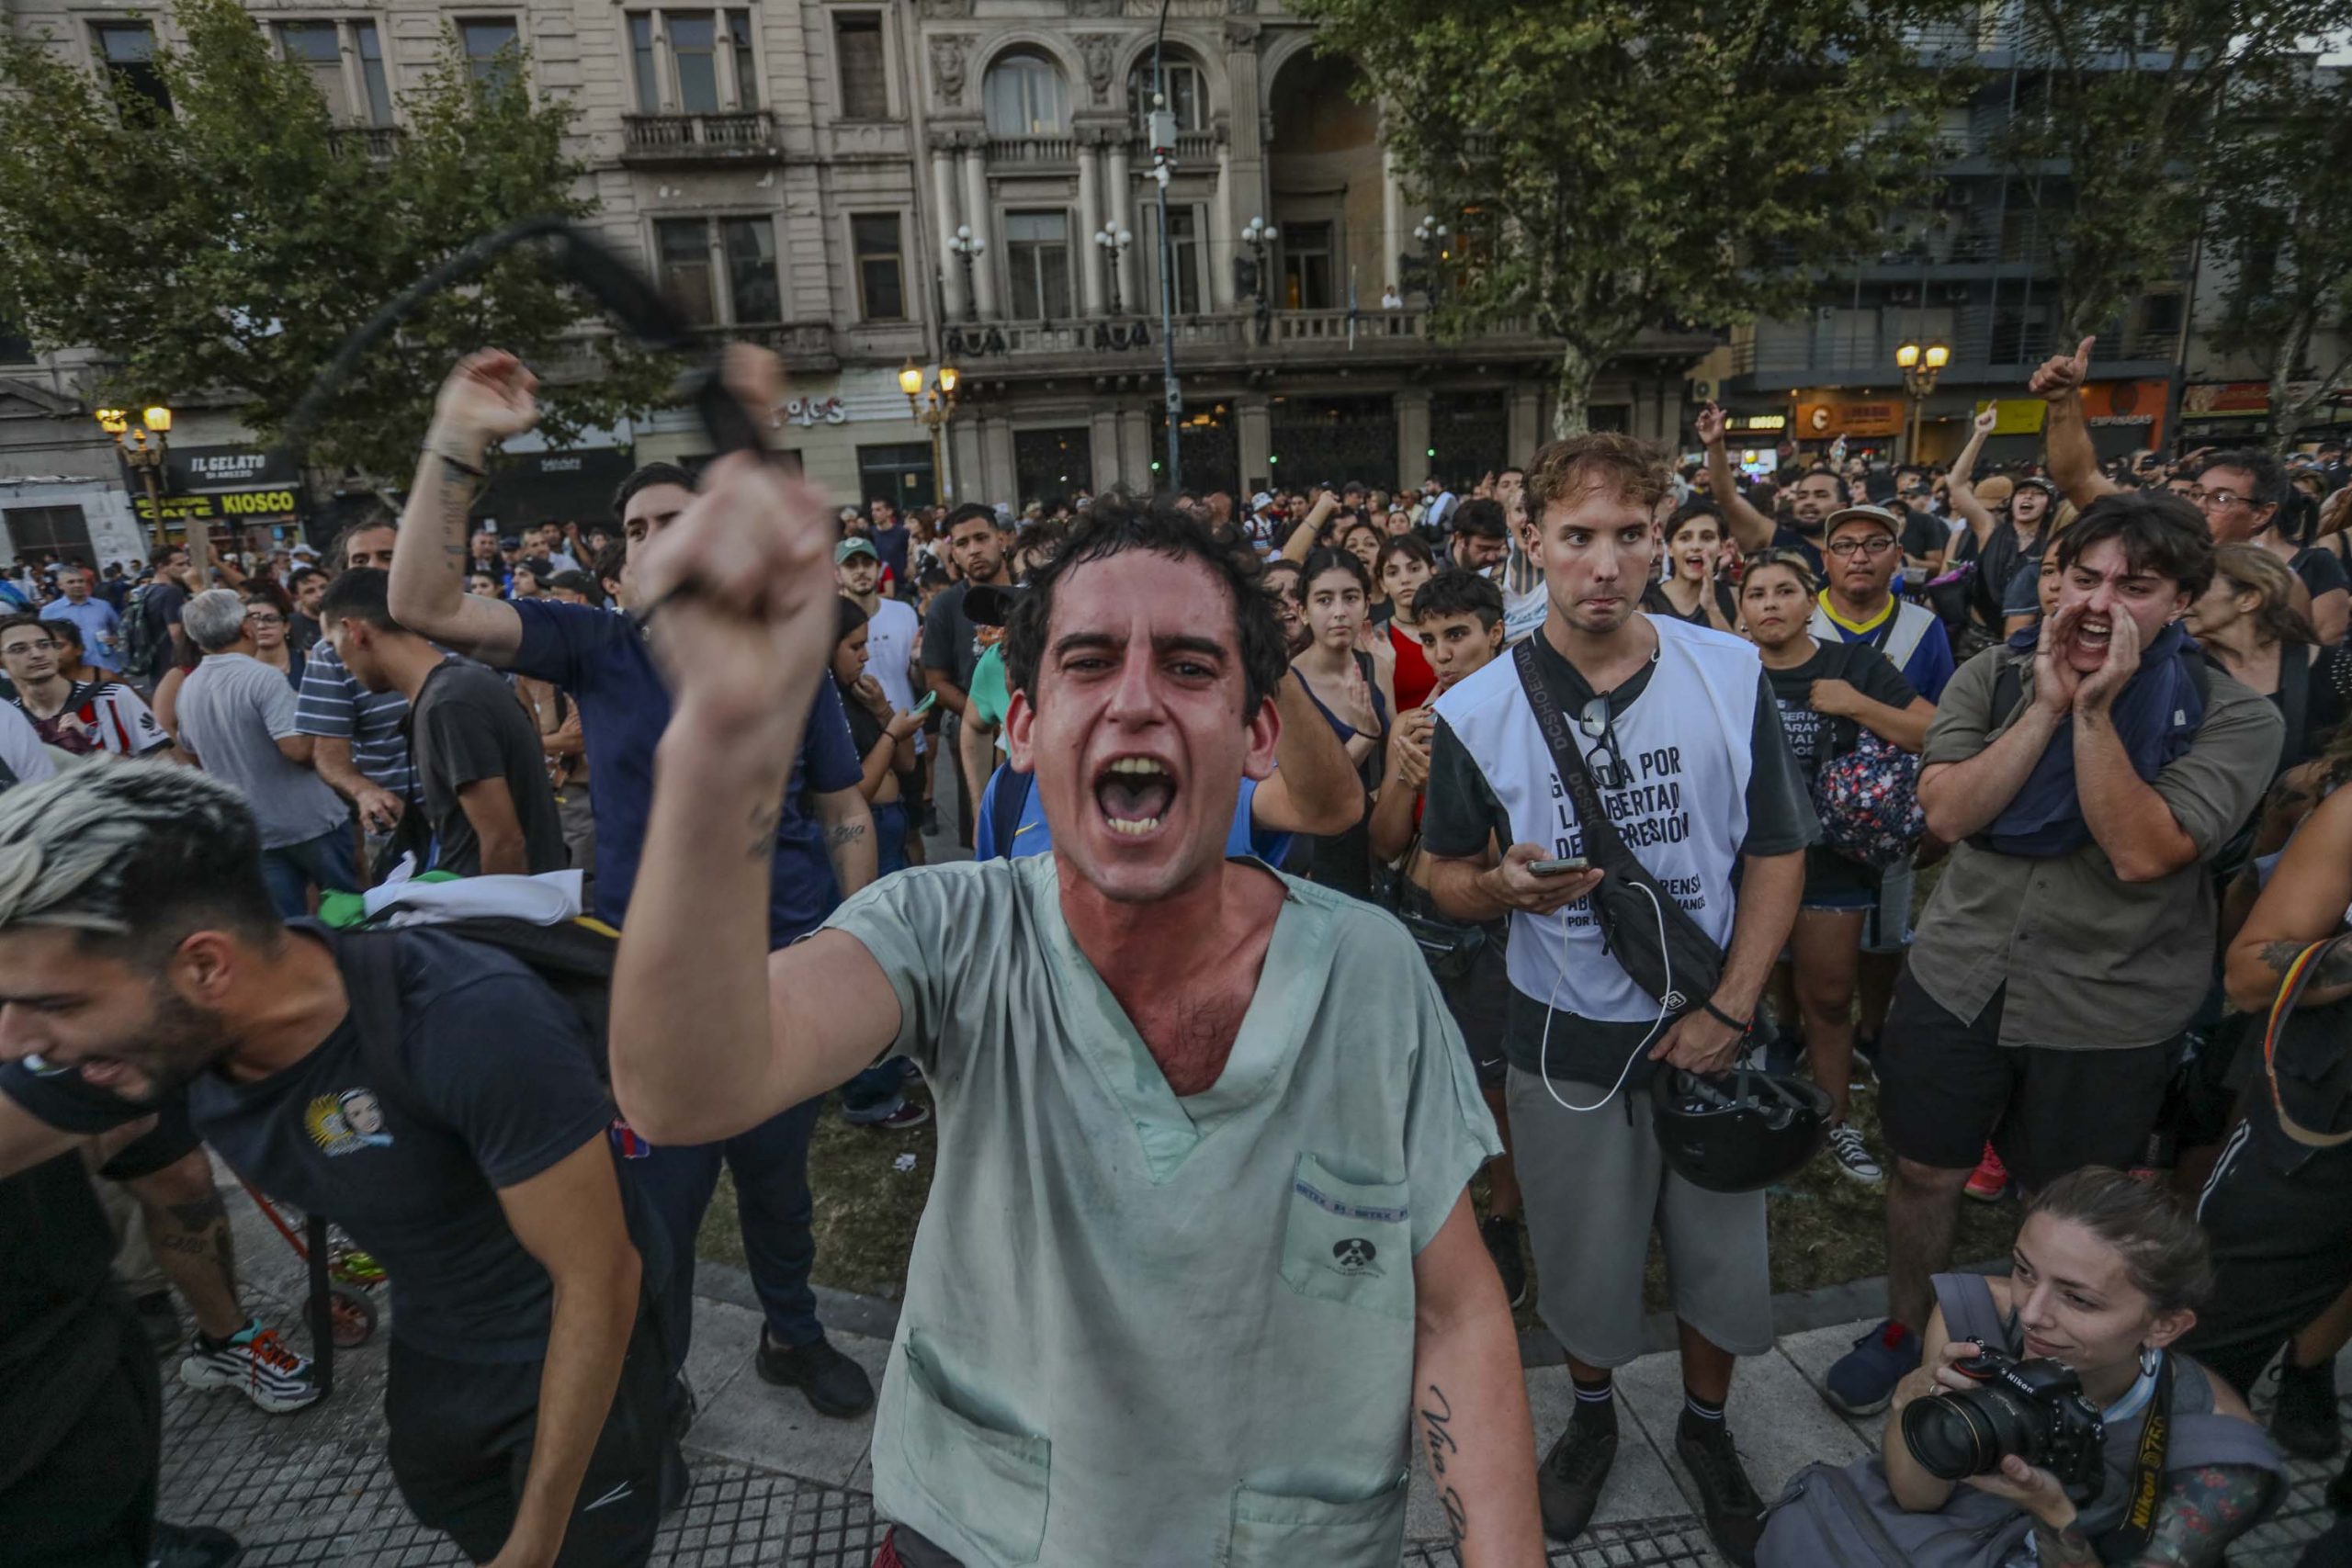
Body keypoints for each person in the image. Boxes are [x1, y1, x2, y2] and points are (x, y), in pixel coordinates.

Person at [602, 459, 1544, 1564]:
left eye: (1190, 667)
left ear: (1255, 738)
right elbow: (679, 1086)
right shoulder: (945, 932)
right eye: (1090, 662)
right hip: (984, 1532)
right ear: (1024, 729)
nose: (1136, 698)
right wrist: (715, 743)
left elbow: (1456, 1313)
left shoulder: (1367, 972)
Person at [0, 764, 682, 1568]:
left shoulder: (466, 1021)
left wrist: (536, 1545)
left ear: (207, 967)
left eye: (54, 1005)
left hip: (571, 1350)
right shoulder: (158, 1032)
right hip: (437, 1346)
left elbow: (598, 1282)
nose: (14, 1039)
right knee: (450, 1499)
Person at [387, 352, 877, 1420]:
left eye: (677, 522)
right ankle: (657, 1384)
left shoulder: (786, 662)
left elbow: (843, 808)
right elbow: (421, 599)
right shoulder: (594, 647)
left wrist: (852, 937)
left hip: (786, 967)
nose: (659, 542)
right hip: (644, 980)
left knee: (779, 1186)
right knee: (656, 1203)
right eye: (638, 531)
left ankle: (792, 1336)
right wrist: (460, 437)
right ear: (616, 571)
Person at [1422, 433, 1815, 1563]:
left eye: (1628, 536)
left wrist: (1733, 1008)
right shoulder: (1478, 707)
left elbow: (1778, 853)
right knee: (1584, 1263)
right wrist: (1493, 885)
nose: (1602, 563)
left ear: (1661, 543)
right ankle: (1590, 1418)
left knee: (1718, 1260)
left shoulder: (1726, 672)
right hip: (1566, 1040)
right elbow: (1440, 871)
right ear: (1532, 544)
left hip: (1708, 1033)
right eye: (1576, 538)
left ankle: (1704, 1429)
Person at [1824, 492, 2285, 1419]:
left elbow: (2142, 850)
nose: (2099, 602)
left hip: (2107, 1005)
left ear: (2182, 603)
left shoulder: (2234, 718)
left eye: (2135, 586)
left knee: (2066, 1207)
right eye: (2082, 577)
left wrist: (2094, 714)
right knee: (1924, 1172)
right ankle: (1904, 1324)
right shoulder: (1991, 679)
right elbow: (1950, 813)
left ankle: (2037, 1352)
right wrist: (2041, 706)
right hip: (1961, 976)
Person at [1758, 1168, 2282, 1567]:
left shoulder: (2220, 1458)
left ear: (2164, 1327)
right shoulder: (1979, 1318)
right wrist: (1911, 1402)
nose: (2030, 1314)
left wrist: (2055, 1516)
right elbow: (1916, 1497)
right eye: (2025, 1271)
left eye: (2078, 1300)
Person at [1738, 551, 1932, 1184]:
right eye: (1757, 592)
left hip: (1831, 860)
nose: (1770, 602)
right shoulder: (1728, 670)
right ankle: (1742, 1115)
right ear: (1741, 609)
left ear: (1809, 600)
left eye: (1784, 590)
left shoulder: (1852, 664)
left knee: (1826, 996)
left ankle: (1834, 1122)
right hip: (1742, 863)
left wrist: (1854, 704)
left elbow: (1932, 730)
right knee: (1738, 997)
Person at [1367, 568, 1530, 1304]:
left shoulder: (1526, 715)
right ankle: (1441, 1210)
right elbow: (1383, 841)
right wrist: (1403, 771)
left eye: (1458, 635)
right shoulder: (1422, 716)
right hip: (1420, 920)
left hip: (1496, 927)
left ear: (1496, 631)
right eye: (1429, 639)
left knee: (1494, 1082)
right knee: (1426, 1073)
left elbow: (1524, 851)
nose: (1442, 653)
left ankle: (1505, 1211)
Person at [320, 570, 566, 878]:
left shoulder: (449, 703)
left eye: (333, 645)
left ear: (354, 631)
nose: (340, 662)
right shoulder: (452, 688)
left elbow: (504, 841)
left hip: (503, 908)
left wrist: (494, 926)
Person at [173, 590, 360, 918]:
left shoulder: (189, 687)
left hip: (254, 829)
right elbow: (296, 750)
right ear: (246, 628)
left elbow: (190, 754)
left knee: (290, 925)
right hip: (310, 821)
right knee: (353, 911)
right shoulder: (263, 678)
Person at [295, 518, 416, 854]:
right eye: (360, 561)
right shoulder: (331, 652)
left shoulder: (455, 626)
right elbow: (328, 753)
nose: (373, 568)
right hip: (399, 828)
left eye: (386, 556)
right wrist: (364, 792)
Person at [1288, 547, 1393, 901]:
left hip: (1377, 843)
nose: (1339, 612)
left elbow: (1392, 757)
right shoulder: (1287, 684)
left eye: (1350, 598)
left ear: (1366, 604)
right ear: (1303, 611)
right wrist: (1364, 736)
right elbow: (1309, 792)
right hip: (1319, 854)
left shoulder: (1378, 664)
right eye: (1324, 600)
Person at [2188, 545, 2339, 784]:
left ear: (2248, 599)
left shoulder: (2337, 668)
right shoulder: (2183, 670)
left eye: (2198, 587)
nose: (2183, 598)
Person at [921, 502, 1015, 841]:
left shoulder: (1032, 596)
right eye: (962, 544)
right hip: (971, 725)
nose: (973, 549)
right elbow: (935, 681)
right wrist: (984, 715)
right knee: (986, 828)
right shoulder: (946, 607)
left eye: (981, 538)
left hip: (1031, 723)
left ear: (1002, 539)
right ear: (953, 555)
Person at [0, 615, 170, 759]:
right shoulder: (10, 720)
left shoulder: (112, 697)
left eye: (44, 644)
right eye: (18, 649)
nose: (37, 654)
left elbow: (164, 766)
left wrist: (92, 739)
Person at [1705, 404, 1833, 574]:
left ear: (1843, 506)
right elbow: (1729, 498)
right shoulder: (1784, 543)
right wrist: (1715, 445)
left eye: (1821, 495)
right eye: (1802, 496)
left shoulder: (1862, 555)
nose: (1809, 502)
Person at [1642, 501, 1740, 633]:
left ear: (1722, 547)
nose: (1696, 546)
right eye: (1685, 538)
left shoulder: (1736, 598)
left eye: (1707, 538)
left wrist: (1712, 607)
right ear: (1670, 547)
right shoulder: (1645, 602)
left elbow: (1740, 652)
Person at [1380, 532, 1442, 710]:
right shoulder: (1376, 639)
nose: (1405, 580)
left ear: (1432, 570)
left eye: (1414, 569)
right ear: (1382, 583)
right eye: (1392, 573)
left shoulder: (1458, 626)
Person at [40, 565, 123, 674]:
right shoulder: (49, 611)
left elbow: (120, 630)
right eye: (71, 582)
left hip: (107, 667)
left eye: (81, 581)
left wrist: (116, 639)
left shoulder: (103, 606)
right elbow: (44, 640)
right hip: (72, 672)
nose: (77, 585)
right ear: (60, 585)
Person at [239, 586, 307, 691]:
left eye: (271, 619)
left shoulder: (308, 661)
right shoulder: (239, 671)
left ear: (286, 626)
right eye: (253, 620)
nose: (261, 626)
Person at [1447, 499, 1512, 576]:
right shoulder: (1435, 575)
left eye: (1498, 548)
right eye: (1483, 548)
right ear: (1460, 538)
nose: (1492, 557)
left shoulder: (1504, 572)